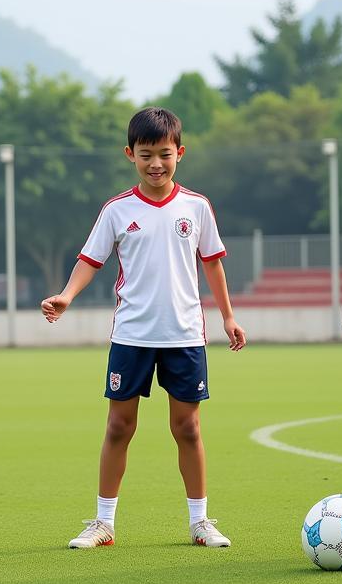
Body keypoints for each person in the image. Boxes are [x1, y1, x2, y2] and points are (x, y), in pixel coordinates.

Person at [41, 107, 246, 549]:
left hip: (185, 336)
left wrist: (228, 316)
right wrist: (66, 295)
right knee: (119, 426)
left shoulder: (197, 207)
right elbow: (90, 260)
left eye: (165, 154)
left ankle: (200, 522)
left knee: (187, 428)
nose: (156, 163)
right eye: (146, 154)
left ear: (180, 153)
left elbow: (212, 264)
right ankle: (103, 523)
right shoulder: (117, 210)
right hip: (131, 336)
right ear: (129, 154)